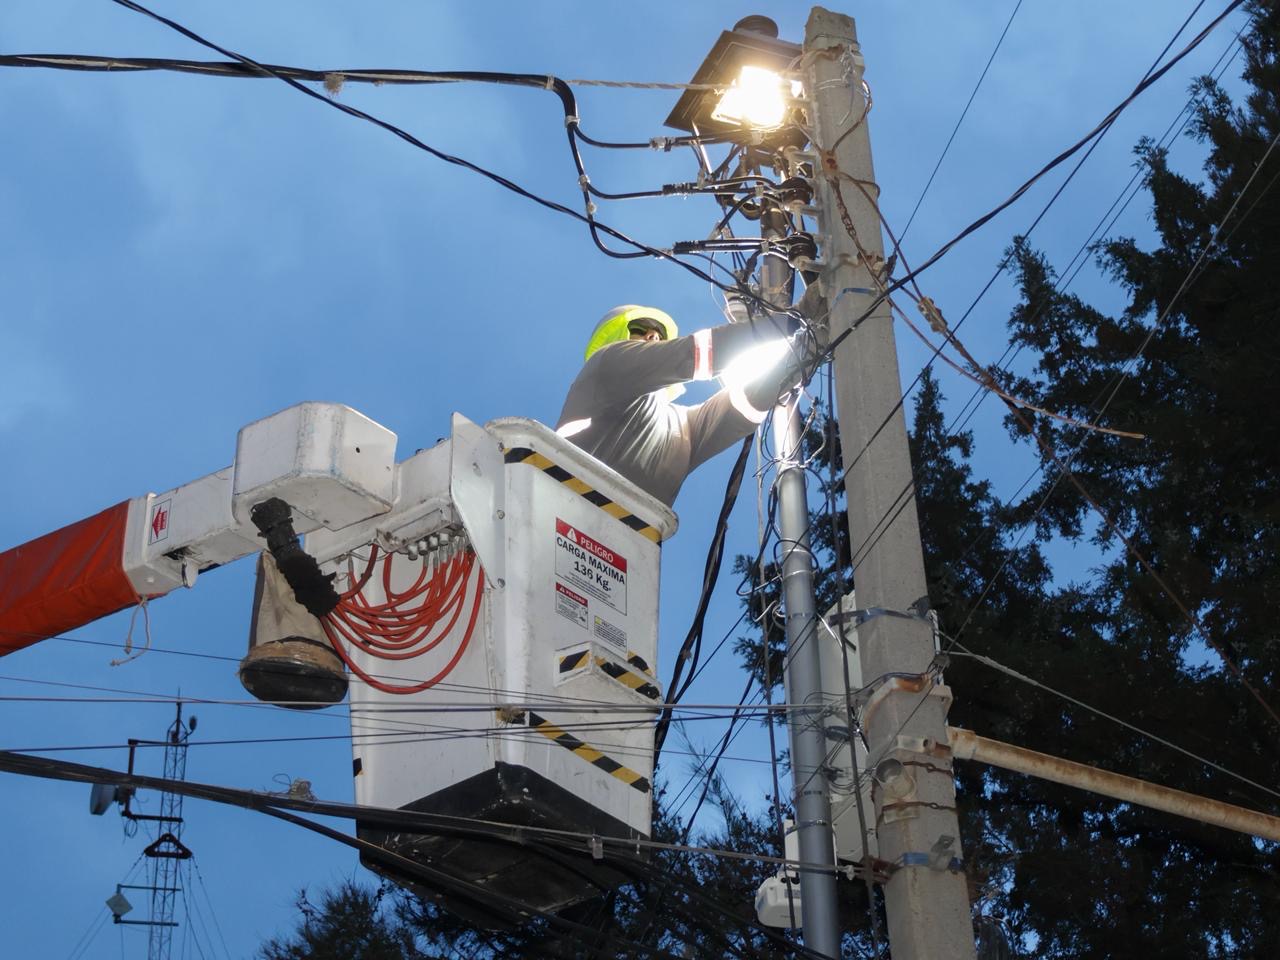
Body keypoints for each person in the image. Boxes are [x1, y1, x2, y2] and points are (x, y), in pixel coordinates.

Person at [554, 296, 827, 507]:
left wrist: (811, 346)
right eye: (639, 328)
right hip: (564, 519)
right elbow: (695, 353)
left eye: (660, 334)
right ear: (614, 338)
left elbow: (744, 403)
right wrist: (794, 319)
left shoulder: (680, 427)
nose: (653, 336)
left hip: (625, 554)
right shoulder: (606, 366)